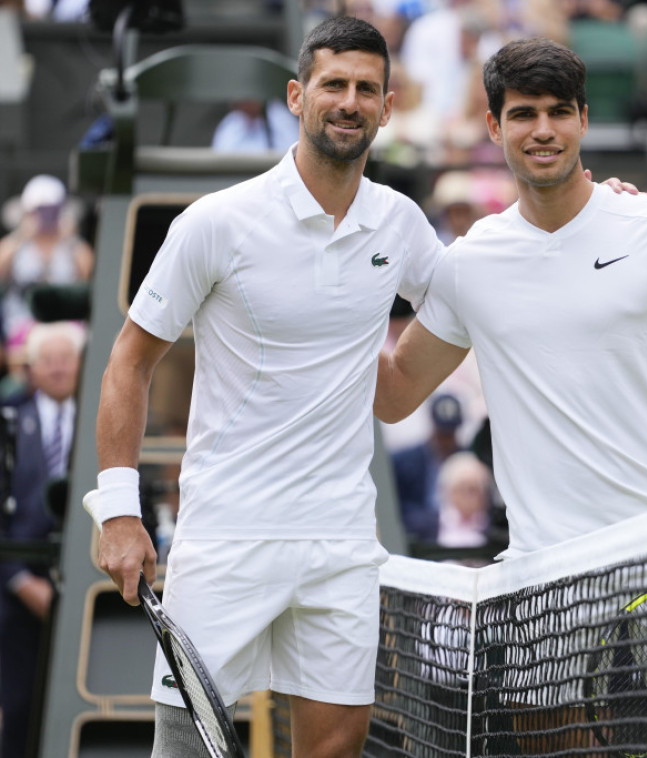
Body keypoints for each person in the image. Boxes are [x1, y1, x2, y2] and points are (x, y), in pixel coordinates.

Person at [375, 37, 647, 757]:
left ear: (585, 120)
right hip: (545, 570)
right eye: (523, 114)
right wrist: (322, 310)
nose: (544, 130)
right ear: (493, 128)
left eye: (559, 112)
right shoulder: (468, 266)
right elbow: (395, 394)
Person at [83, 18, 444, 758]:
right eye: (333, 84)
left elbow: (475, 298)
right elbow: (128, 362)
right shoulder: (216, 223)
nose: (348, 101)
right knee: (188, 750)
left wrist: (589, 207)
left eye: (365, 89)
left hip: (343, 541)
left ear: (387, 106)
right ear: (296, 95)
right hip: (224, 537)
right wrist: (119, 513)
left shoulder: (402, 225)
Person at [0, 321, 85, 758]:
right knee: (17, 710)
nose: (56, 370)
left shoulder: (97, 422)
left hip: (85, 594)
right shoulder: (10, 422)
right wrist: (20, 580)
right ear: (31, 369)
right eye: (47, 361)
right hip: (17, 597)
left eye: (65, 359)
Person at [0, 175, 94, 342]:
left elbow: (90, 275)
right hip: (22, 326)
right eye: (41, 210)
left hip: (65, 326)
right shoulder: (16, 245)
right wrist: (21, 234)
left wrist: (72, 239)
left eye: (52, 210)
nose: (47, 216)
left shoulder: (72, 246)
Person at [390, 392, 466, 545]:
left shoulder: (467, 459)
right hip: (419, 538)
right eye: (442, 434)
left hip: (462, 535)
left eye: (450, 434)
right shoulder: (405, 460)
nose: (446, 441)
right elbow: (396, 507)